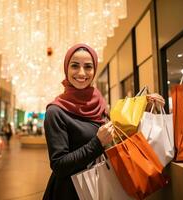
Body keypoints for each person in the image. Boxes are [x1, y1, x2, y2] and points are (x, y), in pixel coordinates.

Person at [43, 44, 164, 200]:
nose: (81, 73)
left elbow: (116, 132)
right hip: (71, 192)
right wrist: (97, 143)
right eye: (74, 66)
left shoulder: (98, 101)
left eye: (88, 67)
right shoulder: (56, 112)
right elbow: (59, 166)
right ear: (66, 68)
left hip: (102, 184)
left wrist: (144, 106)